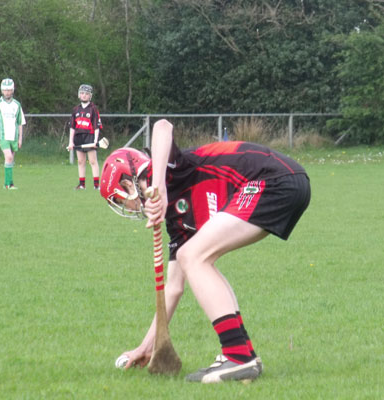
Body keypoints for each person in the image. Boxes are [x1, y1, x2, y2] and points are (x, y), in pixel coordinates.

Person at [99, 119, 311, 383]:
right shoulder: (176, 220)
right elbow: (174, 287)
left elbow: (163, 127)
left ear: (130, 183)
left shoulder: (171, 166)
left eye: (122, 200)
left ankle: (237, 357)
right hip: (281, 184)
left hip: (274, 179)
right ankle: (244, 355)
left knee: (193, 256)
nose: (129, 209)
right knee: (197, 258)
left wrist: (160, 185)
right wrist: (146, 345)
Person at [0, 78, 26, 190]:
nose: (7, 92)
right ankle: (7, 184)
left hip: (13, 136)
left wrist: (20, 138)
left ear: (12, 90)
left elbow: (20, 123)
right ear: (2, 91)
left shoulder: (17, 104)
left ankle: (10, 183)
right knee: (9, 157)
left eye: (9, 90)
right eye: (5, 90)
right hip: (3, 135)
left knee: (10, 160)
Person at [68, 84, 103, 190]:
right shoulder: (75, 110)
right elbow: (72, 127)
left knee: (92, 161)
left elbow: (97, 126)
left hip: (90, 137)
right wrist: (71, 142)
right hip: (78, 137)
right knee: (80, 161)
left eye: (86, 94)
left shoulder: (93, 109)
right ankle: (82, 184)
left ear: (90, 96)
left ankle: (96, 185)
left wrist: (95, 140)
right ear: (79, 95)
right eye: (82, 93)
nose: (84, 95)